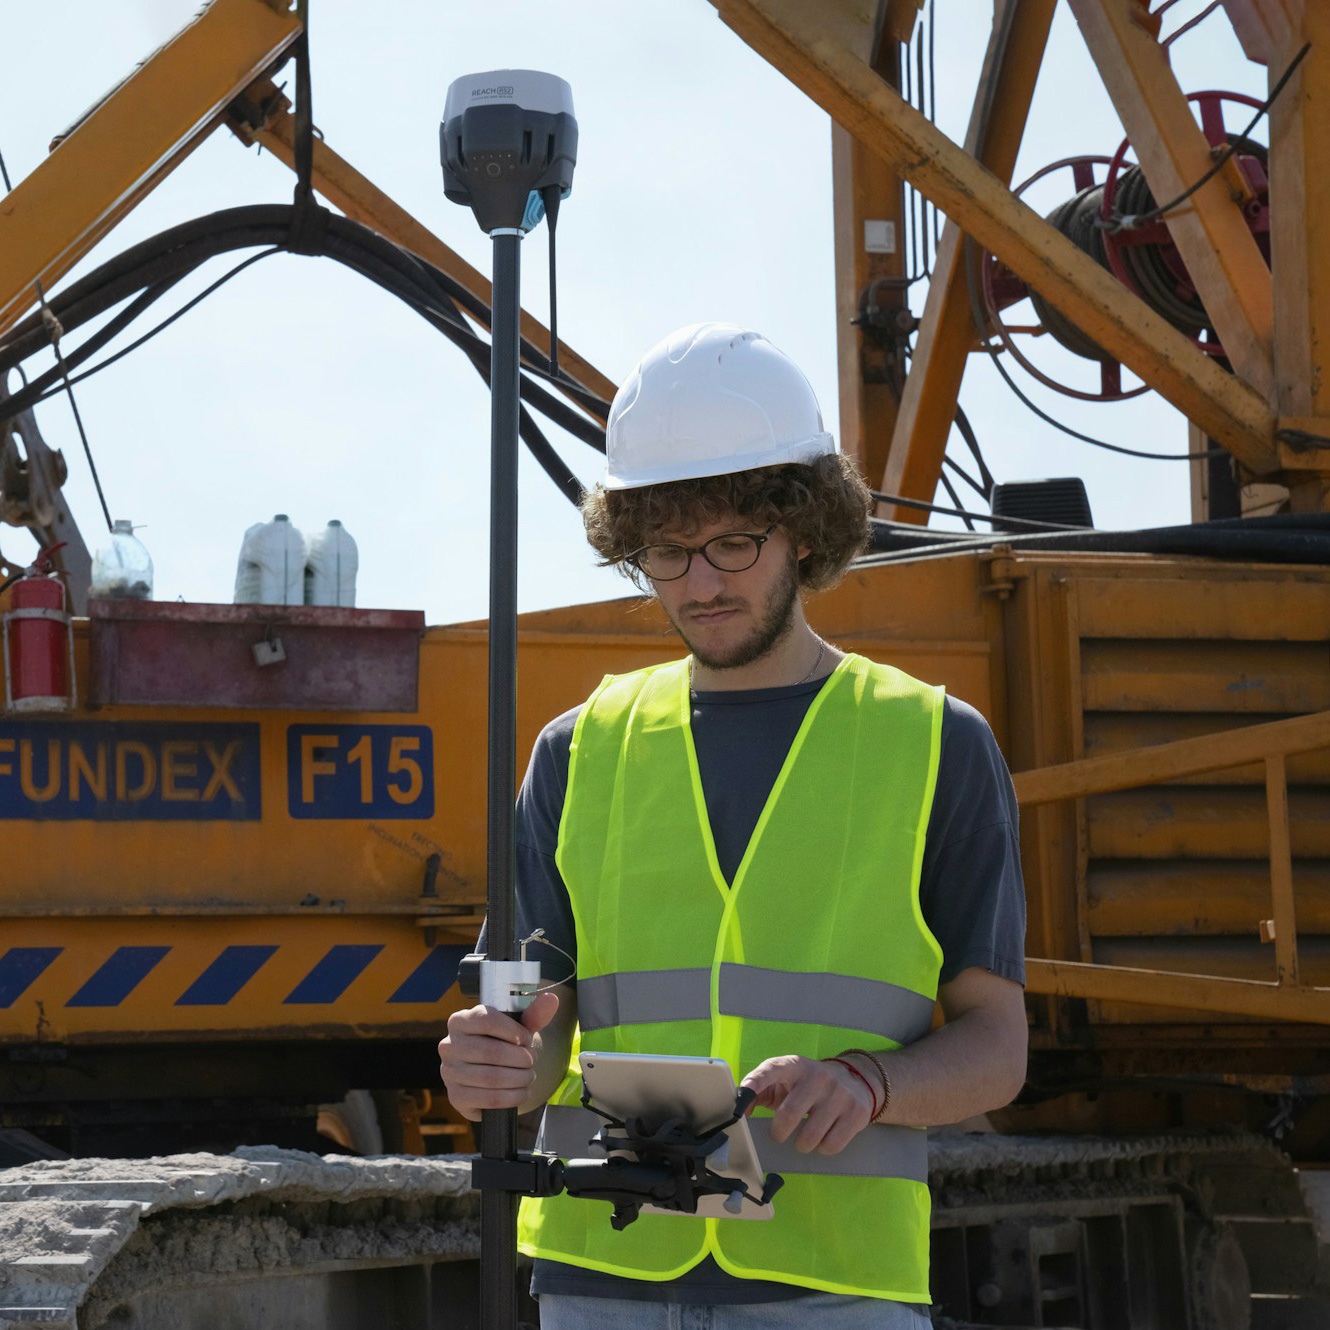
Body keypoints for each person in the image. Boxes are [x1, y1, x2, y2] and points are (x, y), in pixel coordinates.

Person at [438, 322, 1028, 1328]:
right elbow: (524, 1012)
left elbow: (998, 1047)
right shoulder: (578, 749)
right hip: (601, 1268)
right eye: (667, 552)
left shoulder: (932, 742)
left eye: (732, 544)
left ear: (804, 529)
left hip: (832, 1282)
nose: (700, 583)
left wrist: (870, 1083)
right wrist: (485, 1057)